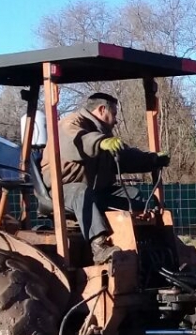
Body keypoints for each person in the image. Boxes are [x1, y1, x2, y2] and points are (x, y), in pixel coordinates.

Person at [45, 92, 169, 263]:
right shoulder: (71, 124)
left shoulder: (103, 134)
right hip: (63, 190)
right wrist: (99, 142)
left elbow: (124, 157)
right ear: (102, 109)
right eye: (114, 114)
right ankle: (99, 247)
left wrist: (151, 159)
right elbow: (77, 140)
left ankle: (151, 245)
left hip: (96, 191)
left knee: (135, 195)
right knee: (82, 192)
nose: (116, 120)